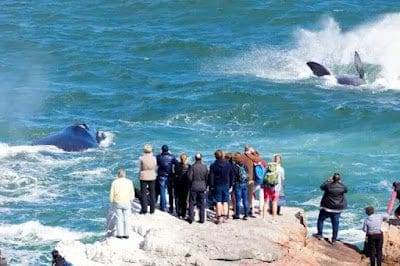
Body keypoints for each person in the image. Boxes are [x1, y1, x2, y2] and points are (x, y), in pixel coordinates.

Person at [313, 173, 347, 245]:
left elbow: (322, 187)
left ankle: (319, 234)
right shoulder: (342, 186)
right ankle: (334, 240)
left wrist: (328, 180)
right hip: (337, 209)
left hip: (327, 208)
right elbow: (346, 190)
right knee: (335, 224)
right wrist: (339, 182)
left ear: (332, 179)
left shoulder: (328, 186)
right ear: (339, 179)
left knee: (321, 220)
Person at [235, 145, 263, 217]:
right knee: (249, 196)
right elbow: (259, 159)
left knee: (239, 196)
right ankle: (247, 211)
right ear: (249, 150)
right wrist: (254, 152)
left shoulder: (241, 156)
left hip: (240, 179)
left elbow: (235, 159)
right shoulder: (251, 157)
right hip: (250, 179)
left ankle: (238, 212)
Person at [209, 150, 233, 224]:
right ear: (222, 155)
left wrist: (211, 186)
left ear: (215, 156)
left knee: (218, 202)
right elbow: (231, 176)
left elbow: (211, 177)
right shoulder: (228, 164)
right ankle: (225, 216)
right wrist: (231, 185)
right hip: (226, 184)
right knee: (225, 201)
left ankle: (219, 217)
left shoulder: (213, 165)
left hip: (217, 185)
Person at [109, 169, 134, 239]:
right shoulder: (129, 182)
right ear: (125, 175)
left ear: (118, 175)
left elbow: (112, 193)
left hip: (118, 202)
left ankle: (120, 234)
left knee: (119, 219)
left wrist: (111, 201)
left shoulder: (114, 182)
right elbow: (132, 193)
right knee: (127, 219)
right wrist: (131, 200)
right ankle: (126, 234)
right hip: (127, 202)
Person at [187, 153, 208, 224]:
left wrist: (192, 183)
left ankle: (191, 218)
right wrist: (205, 185)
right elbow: (206, 178)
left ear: (195, 158)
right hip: (202, 186)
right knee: (202, 203)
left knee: (192, 202)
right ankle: (202, 219)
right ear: (201, 158)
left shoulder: (192, 167)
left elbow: (189, 177)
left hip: (194, 186)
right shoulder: (205, 167)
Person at [156, 145, 178, 212]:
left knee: (162, 191)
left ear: (162, 150)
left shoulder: (158, 157)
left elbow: (157, 164)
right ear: (168, 150)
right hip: (170, 176)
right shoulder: (172, 157)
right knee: (170, 191)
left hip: (161, 175)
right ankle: (171, 207)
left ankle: (163, 207)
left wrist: (160, 154)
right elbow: (177, 163)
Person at [263, 154, 284, 221]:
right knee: (274, 202)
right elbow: (283, 178)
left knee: (266, 201)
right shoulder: (281, 169)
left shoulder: (268, 167)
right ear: (280, 160)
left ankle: (263, 217)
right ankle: (273, 218)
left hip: (267, 186)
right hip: (276, 187)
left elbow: (264, 176)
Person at [139, 144, 157, 214]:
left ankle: (144, 210)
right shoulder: (154, 158)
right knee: (152, 193)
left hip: (143, 176)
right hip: (152, 176)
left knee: (143, 194)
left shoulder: (141, 158)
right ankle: (152, 210)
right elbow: (154, 166)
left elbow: (140, 168)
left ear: (144, 150)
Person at [232, 152, 249, 220]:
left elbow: (233, 176)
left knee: (238, 200)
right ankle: (246, 215)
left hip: (237, 184)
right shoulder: (245, 166)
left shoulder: (234, 167)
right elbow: (247, 174)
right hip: (245, 183)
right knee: (245, 200)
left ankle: (237, 215)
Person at [174, 153, 190, 219]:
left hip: (177, 184)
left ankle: (178, 212)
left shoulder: (177, 165)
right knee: (184, 199)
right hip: (185, 184)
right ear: (186, 159)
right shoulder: (189, 166)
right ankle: (183, 213)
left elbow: (175, 173)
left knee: (177, 198)